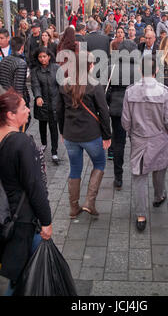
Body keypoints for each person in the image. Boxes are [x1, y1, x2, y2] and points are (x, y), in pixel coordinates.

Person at [0, 89, 52, 294]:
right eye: (23, 107)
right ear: (11, 115)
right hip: (21, 219)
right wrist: (46, 222)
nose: (28, 110)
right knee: (23, 275)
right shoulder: (22, 142)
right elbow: (35, 187)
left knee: (16, 271)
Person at [121, 54, 168, 231]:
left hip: (139, 137)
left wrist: (131, 133)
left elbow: (125, 120)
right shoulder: (164, 91)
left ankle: (141, 215)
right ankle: (159, 196)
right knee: (159, 170)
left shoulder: (130, 91)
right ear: (157, 71)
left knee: (139, 177)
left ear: (139, 70)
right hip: (159, 137)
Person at [58, 52, 111, 218]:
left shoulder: (64, 84)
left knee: (75, 168)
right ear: (89, 66)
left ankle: (74, 208)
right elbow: (103, 111)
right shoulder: (94, 85)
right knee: (100, 163)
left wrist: (62, 131)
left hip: (70, 135)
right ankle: (89, 202)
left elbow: (59, 111)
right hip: (91, 134)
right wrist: (107, 135)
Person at [107, 40, 139, 190]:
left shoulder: (111, 68)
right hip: (135, 110)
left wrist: (110, 102)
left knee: (118, 143)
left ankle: (118, 177)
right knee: (137, 142)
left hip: (117, 109)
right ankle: (138, 172)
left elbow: (106, 90)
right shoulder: (140, 69)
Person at [31, 47, 62, 165]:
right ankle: (44, 144)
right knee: (42, 125)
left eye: (44, 56)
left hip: (55, 102)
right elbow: (35, 85)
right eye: (40, 57)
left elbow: (61, 85)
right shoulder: (35, 71)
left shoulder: (57, 68)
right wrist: (38, 97)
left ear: (49, 57)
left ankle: (55, 151)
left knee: (54, 128)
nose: (42, 59)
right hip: (42, 103)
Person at [0, 37, 30, 118]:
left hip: (4, 97)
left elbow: (0, 80)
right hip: (14, 101)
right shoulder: (21, 63)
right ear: (22, 47)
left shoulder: (4, 60)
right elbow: (19, 87)